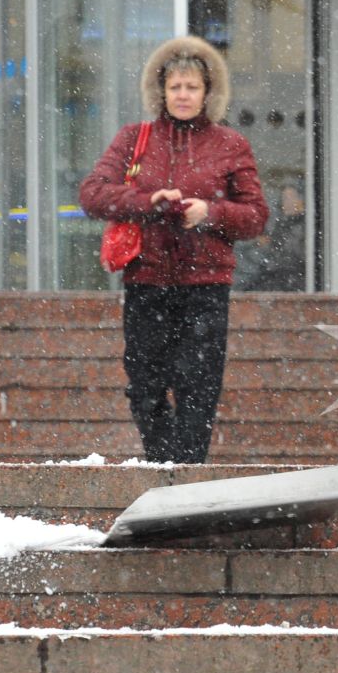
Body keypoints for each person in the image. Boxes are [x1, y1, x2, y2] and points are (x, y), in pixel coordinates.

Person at [79, 35, 268, 464]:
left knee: (198, 386)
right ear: (161, 92)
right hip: (146, 282)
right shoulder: (135, 138)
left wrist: (211, 212)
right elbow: (92, 194)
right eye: (175, 87)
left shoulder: (230, 145)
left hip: (205, 285)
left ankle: (185, 473)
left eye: (193, 87)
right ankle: (162, 466)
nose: (183, 95)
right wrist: (148, 203)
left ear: (208, 92)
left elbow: (256, 215)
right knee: (144, 386)